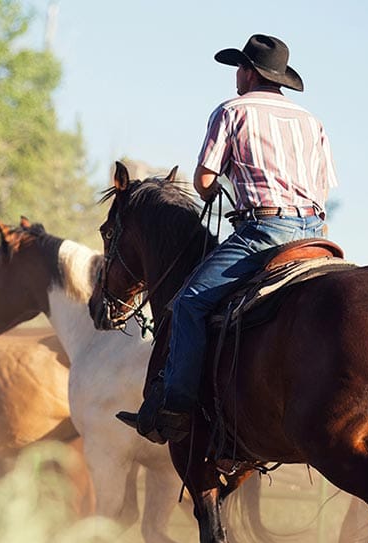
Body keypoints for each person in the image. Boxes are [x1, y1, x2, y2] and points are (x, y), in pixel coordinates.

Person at [122, 33, 338, 445]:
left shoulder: (231, 111)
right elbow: (323, 190)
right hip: (315, 233)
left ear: (249, 72)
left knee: (188, 303)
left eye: (239, 67)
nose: (236, 75)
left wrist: (216, 187)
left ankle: (177, 406)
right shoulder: (313, 123)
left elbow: (204, 181)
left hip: (265, 231)